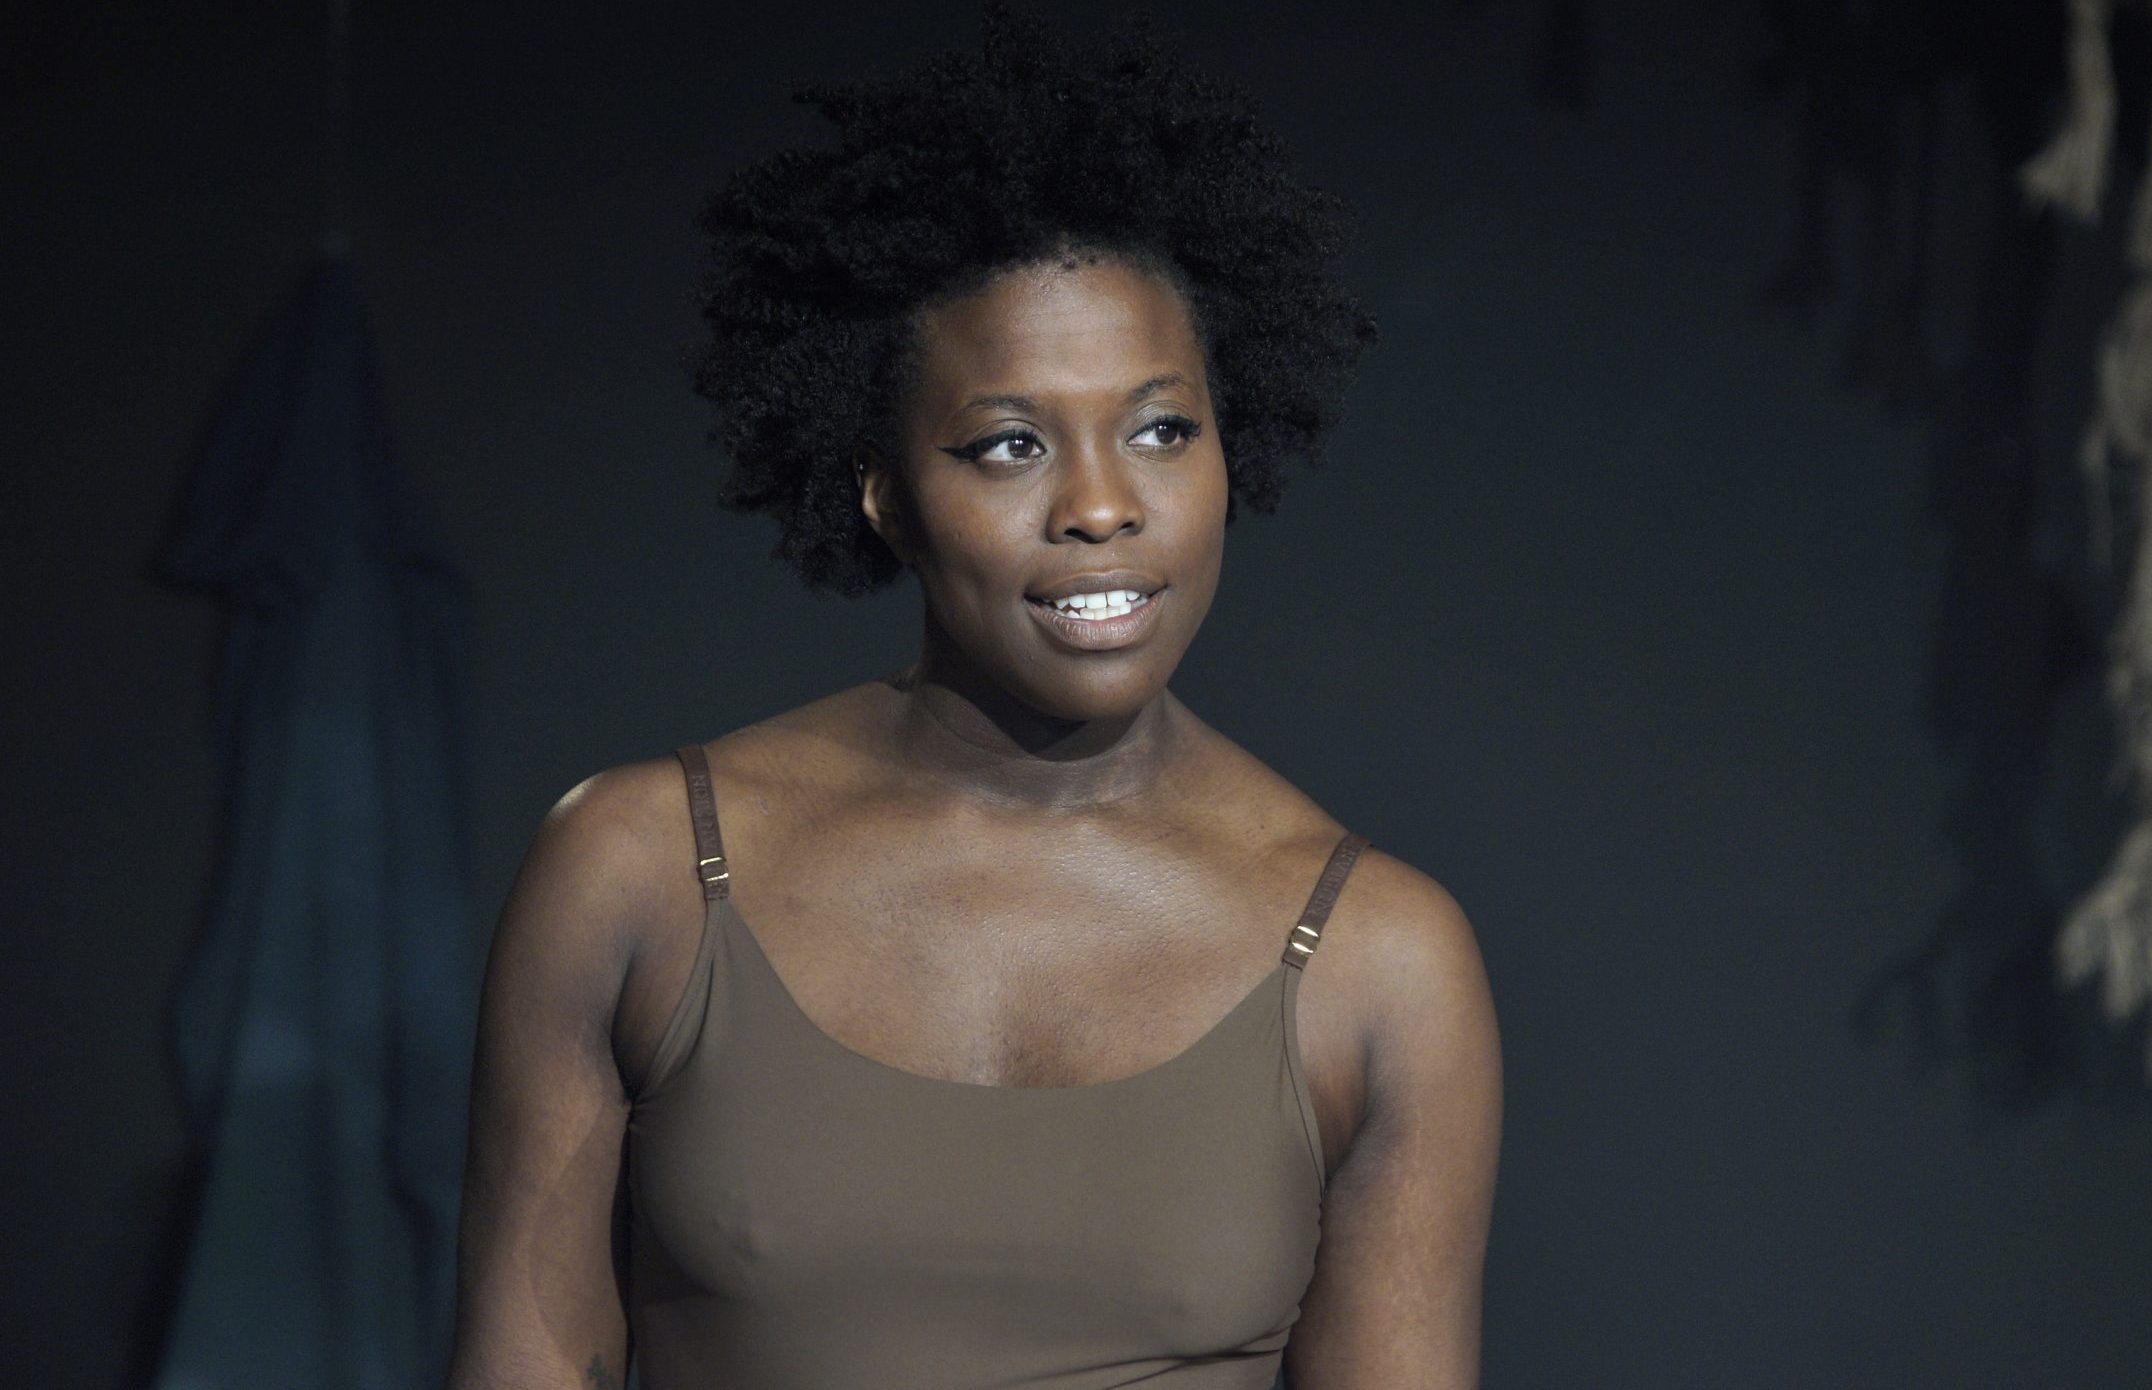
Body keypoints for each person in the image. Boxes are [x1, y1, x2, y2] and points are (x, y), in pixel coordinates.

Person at [444, 7, 1502, 1387]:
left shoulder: (1383, 961)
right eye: (1009, 445)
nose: (1103, 506)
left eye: (1162, 428)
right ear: (884, 492)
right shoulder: (635, 871)